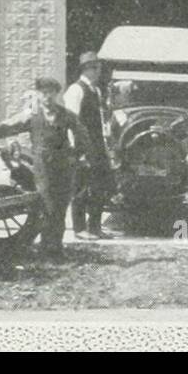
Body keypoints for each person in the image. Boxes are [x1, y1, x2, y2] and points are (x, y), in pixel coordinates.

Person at [0, 77, 90, 259]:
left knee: (60, 208)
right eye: (43, 93)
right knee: (46, 206)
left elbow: (83, 135)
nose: (47, 97)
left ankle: (55, 248)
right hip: (43, 168)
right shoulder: (31, 115)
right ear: (38, 94)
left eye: (50, 93)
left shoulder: (66, 115)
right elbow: (6, 127)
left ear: (56, 94)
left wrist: (75, 155)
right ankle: (46, 249)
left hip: (64, 168)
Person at [64, 51, 114, 240]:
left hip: (98, 145)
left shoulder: (96, 90)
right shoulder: (76, 90)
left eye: (98, 67)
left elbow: (101, 120)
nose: (99, 71)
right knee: (81, 188)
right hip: (82, 147)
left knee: (99, 186)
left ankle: (95, 227)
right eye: (95, 68)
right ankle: (79, 228)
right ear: (87, 69)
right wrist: (77, 150)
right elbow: (71, 121)